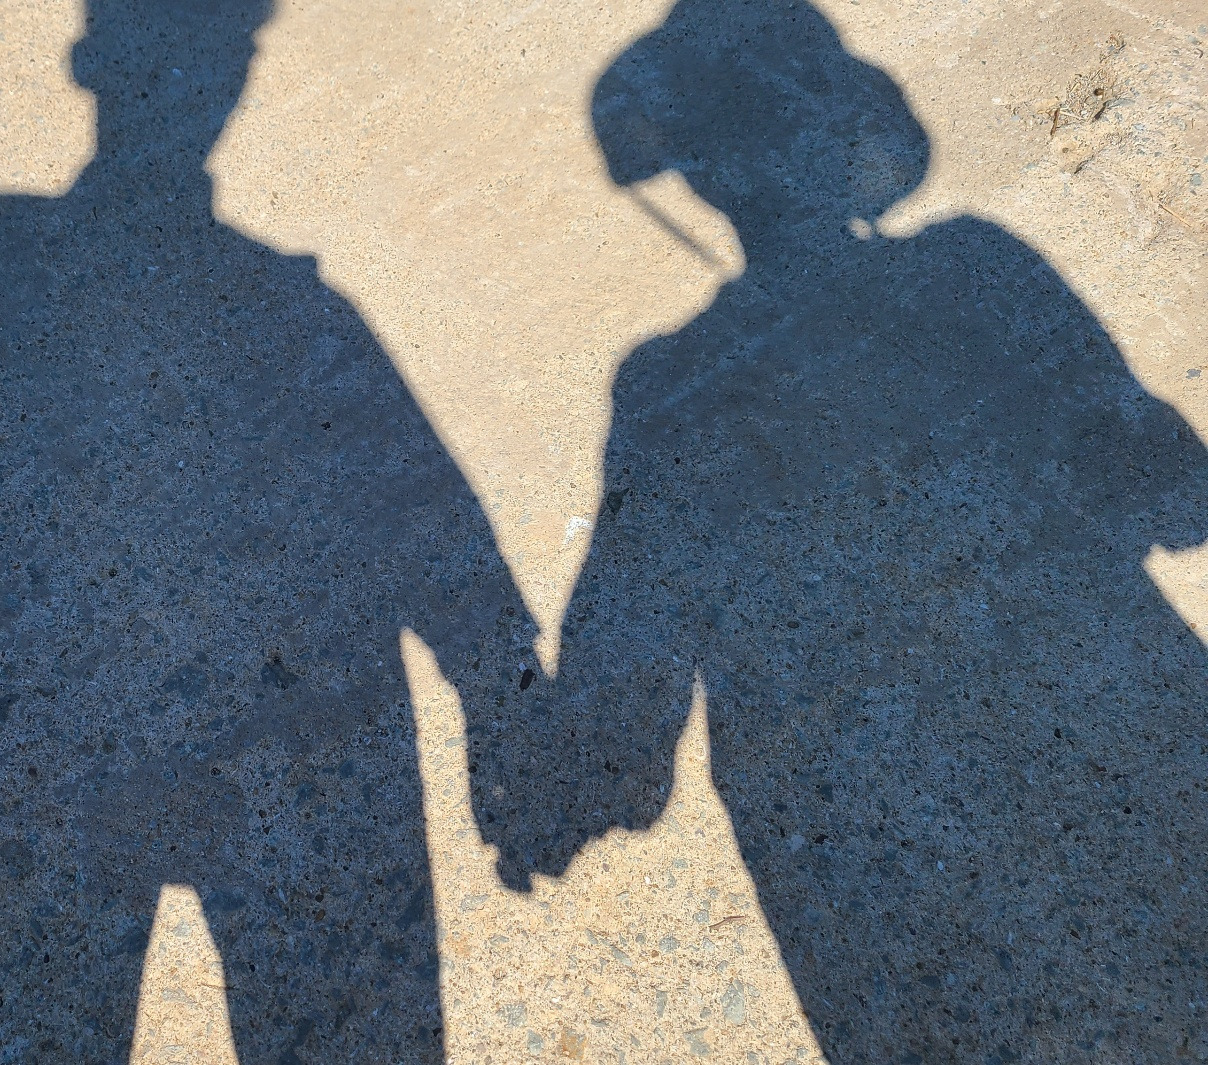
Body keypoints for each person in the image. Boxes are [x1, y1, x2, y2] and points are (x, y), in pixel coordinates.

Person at [474, 0, 1208, 1059]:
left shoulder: (670, 386)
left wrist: (584, 793)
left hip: (887, 877)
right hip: (1130, 764)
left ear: (701, 185)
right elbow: (1173, 497)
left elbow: (631, 653)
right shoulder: (982, 265)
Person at [0, 1, 531, 1060]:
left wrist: (499, 687)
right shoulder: (282, 307)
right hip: (264, 745)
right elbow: (424, 512)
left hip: (94, 736)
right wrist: (501, 690)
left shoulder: (37, 259)